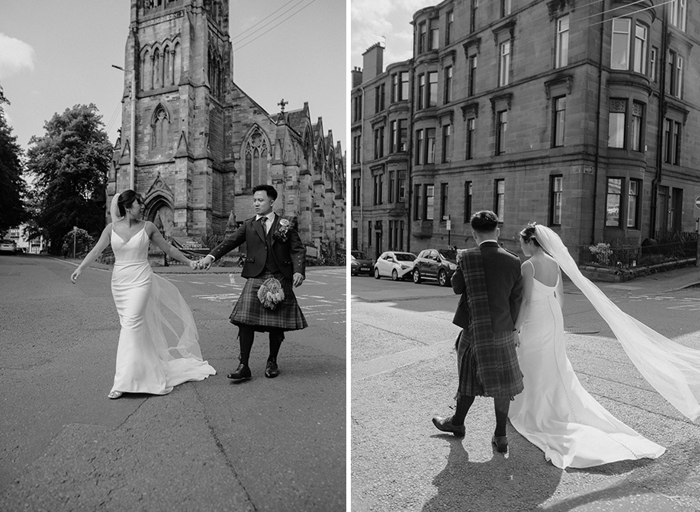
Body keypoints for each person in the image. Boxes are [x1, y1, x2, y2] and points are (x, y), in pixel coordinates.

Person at [508, 223, 683, 468]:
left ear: (531, 241)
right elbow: (559, 297)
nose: (521, 246)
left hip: (536, 318)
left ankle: (533, 408)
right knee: (552, 361)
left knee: (531, 360)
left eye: (522, 242)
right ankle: (552, 403)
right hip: (553, 318)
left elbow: (526, 300)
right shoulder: (555, 263)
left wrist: (516, 328)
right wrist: (556, 322)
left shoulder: (528, 265)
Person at [71, 190, 216, 399]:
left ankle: (121, 381)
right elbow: (96, 251)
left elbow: (169, 249)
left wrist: (189, 262)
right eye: (139, 204)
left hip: (141, 279)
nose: (143, 207)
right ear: (128, 207)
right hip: (120, 282)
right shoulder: (111, 229)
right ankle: (145, 370)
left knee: (131, 322)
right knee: (133, 327)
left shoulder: (148, 227)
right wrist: (80, 268)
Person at [432, 210, 524, 453]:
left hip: (474, 330)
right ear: (498, 231)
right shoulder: (514, 261)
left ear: (474, 234)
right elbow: (516, 300)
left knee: (467, 378)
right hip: (503, 330)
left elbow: (456, 287)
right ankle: (501, 436)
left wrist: (458, 267)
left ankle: (458, 423)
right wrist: (512, 327)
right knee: (502, 383)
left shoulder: (468, 257)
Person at [196, 184, 307, 380]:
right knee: (244, 321)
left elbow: (297, 249)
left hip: (280, 276)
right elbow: (229, 242)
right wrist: (210, 257)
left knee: (276, 325)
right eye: (254, 200)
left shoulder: (285, 225)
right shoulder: (248, 225)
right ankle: (243, 365)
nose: (256, 203)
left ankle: (272, 361)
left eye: (260, 200)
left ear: (271, 202)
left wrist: (298, 271)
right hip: (256, 276)